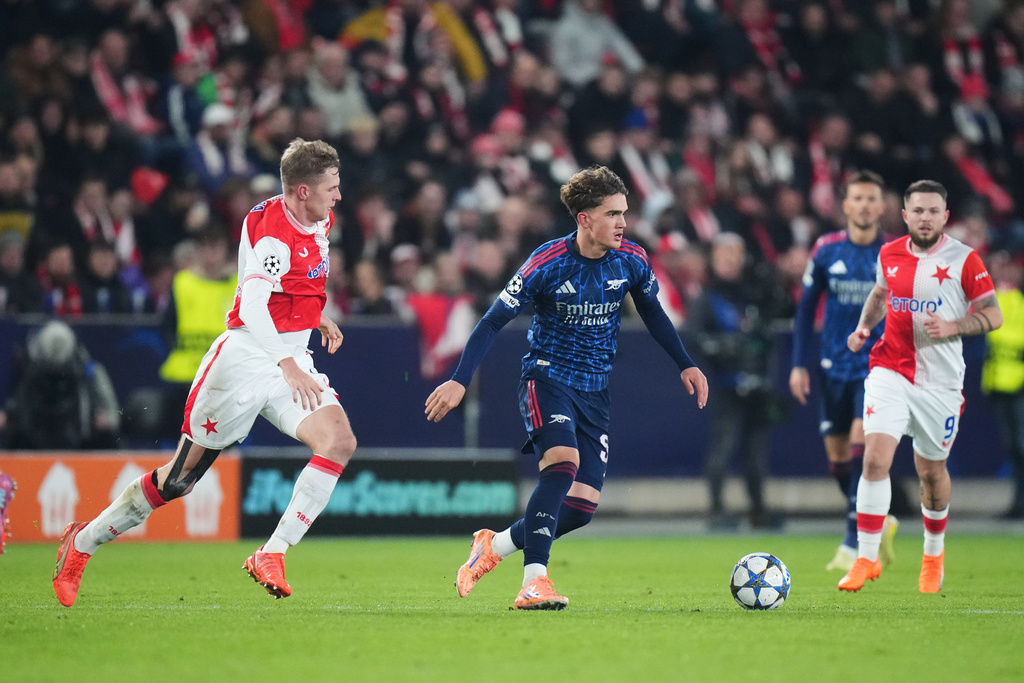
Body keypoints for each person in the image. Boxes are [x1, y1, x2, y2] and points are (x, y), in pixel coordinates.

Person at [52, 139, 356, 607]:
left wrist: (316, 315)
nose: (338, 196)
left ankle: (272, 553)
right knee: (178, 481)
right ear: (301, 191)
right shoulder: (270, 232)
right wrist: (288, 361)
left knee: (338, 441)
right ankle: (82, 542)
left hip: (289, 359)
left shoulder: (318, 218)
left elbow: (294, 285)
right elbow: (253, 305)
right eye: (331, 187)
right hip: (246, 359)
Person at [425, 165, 708, 610]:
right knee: (562, 464)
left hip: (594, 390)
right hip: (547, 377)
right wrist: (461, 380)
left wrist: (685, 364)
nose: (622, 222)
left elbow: (653, 312)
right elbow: (491, 321)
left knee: (579, 508)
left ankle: (493, 546)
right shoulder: (547, 263)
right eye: (612, 213)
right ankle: (534, 582)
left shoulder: (631, 258)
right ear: (584, 218)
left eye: (624, 213)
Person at [839, 180, 1003, 594]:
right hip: (889, 368)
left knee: (931, 472)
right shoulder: (889, 253)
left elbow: (993, 314)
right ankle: (865, 558)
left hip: (941, 383)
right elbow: (880, 294)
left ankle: (933, 556)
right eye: (919, 211)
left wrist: (954, 326)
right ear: (905, 215)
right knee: (875, 459)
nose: (926, 218)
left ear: (945, 217)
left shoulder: (964, 259)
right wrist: (863, 328)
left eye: (934, 211)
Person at [789, 171, 899, 572]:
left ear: (882, 207)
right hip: (832, 365)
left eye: (873, 199)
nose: (866, 205)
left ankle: (853, 543)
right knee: (838, 462)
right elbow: (805, 311)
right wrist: (798, 364)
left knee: (860, 448)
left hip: (878, 367)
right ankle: (878, 518)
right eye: (859, 199)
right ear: (847, 206)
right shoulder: (826, 249)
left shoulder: (895, 252)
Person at [688, 232, 789, 529]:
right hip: (726, 383)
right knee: (723, 446)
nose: (732, 261)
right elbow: (696, 338)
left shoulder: (755, 292)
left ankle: (758, 508)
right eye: (725, 255)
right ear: (714, 259)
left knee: (757, 451)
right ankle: (716, 508)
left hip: (758, 382)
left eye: (736, 254)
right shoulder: (707, 298)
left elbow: (780, 309)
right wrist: (729, 346)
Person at [2, 320, 121, 450]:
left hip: (81, 444)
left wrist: (106, 420)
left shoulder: (90, 372)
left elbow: (112, 415)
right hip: (33, 442)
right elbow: (17, 407)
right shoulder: (29, 372)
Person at [980, 252, 1024, 519]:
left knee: (1020, 446)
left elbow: (1000, 333)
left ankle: (1020, 502)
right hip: (1001, 384)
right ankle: (1019, 502)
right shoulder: (993, 298)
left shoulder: (1012, 300)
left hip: (1018, 384)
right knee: (1014, 448)